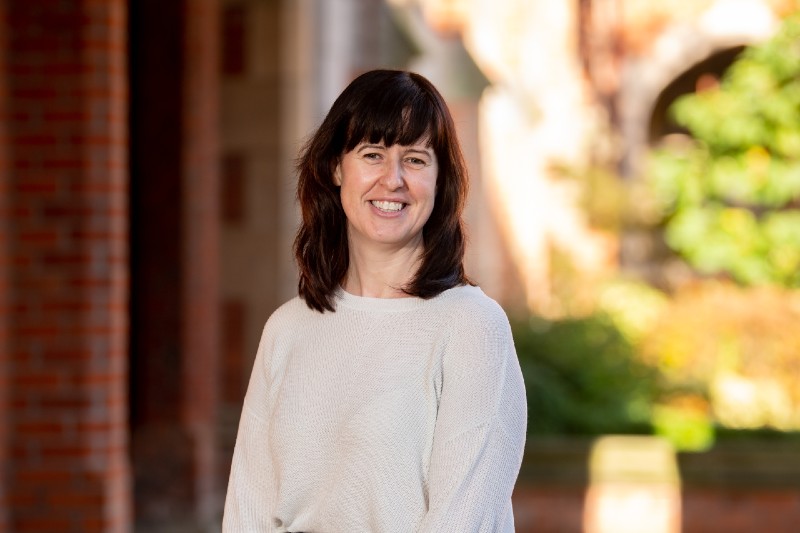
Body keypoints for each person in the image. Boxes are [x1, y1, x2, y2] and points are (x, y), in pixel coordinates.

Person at [223, 69, 527, 532]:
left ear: (440, 179)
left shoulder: (470, 326)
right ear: (335, 168)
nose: (394, 179)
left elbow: (464, 519)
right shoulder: (288, 329)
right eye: (373, 154)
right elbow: (248, 510)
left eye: (417, 160)